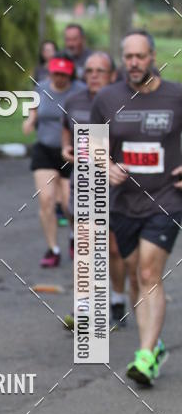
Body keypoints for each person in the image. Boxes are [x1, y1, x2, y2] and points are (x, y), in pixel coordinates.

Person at [90, 30, 182, 385]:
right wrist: (104, 163)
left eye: (140, 56)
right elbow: (92, 146)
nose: (133, 63)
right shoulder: (108, 99)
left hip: (167, 200)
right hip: (124, 203)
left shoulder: (176, 96)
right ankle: (154, 346)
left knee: (148, 273)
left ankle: (144, 357)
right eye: (127, 56)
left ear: (153, 56)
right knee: (133, 275)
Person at [60, 52, 128, 329]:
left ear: (113, 75)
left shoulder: (124, 102)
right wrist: (66, 150)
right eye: (89, 71)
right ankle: (85, 308)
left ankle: (118, 298)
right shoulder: (74, 102)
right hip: (85, 180)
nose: (94, 75)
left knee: (112, 249)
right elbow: (67, 137)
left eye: (101, 70)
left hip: (117, 184)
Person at [23, 53, 84, 267]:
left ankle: (74, 236)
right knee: (46, 200)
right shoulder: (41, 88)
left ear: (71, 74)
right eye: (55, 73)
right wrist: (30, 120)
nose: (59, 78)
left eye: (63, 75)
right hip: (45, 150)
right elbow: (33, 108)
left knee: (70, 203)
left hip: (71, 152)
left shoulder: (81, 91)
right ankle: (53, 249)